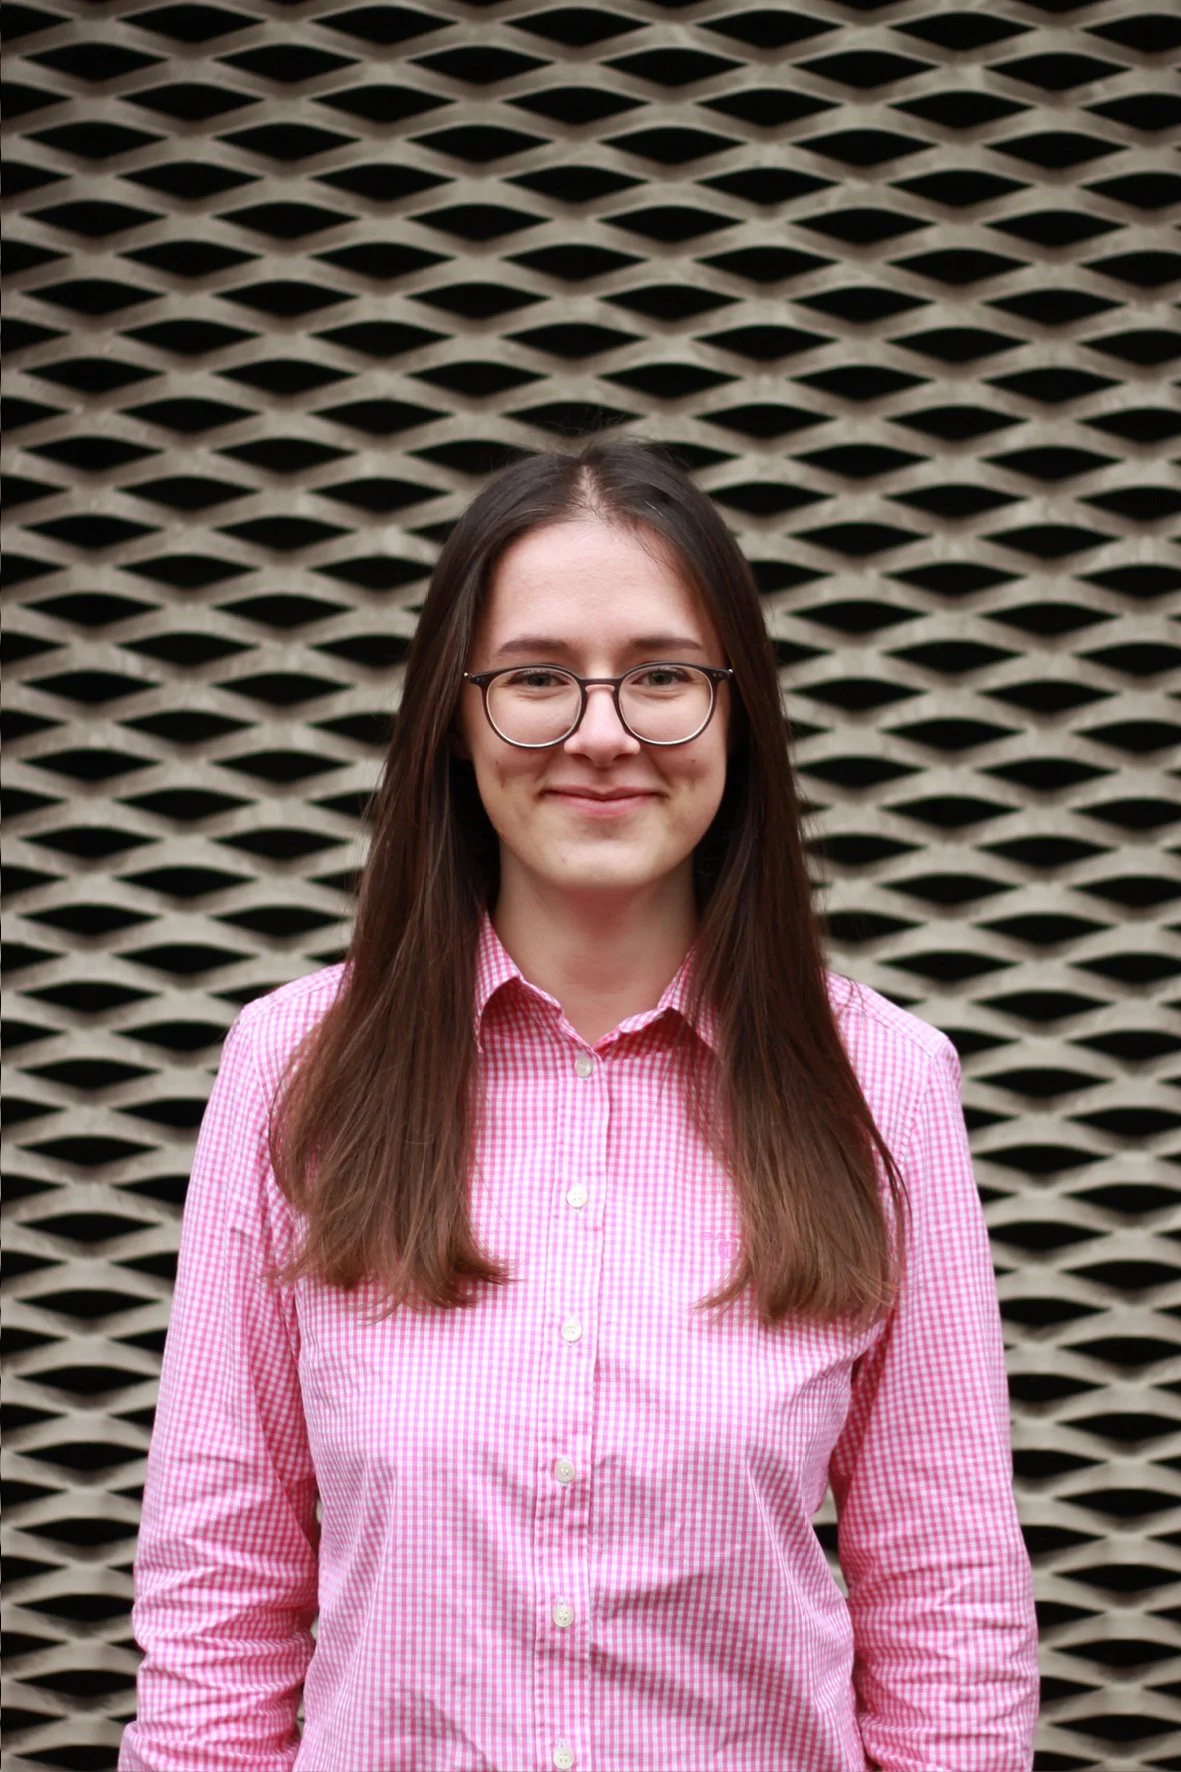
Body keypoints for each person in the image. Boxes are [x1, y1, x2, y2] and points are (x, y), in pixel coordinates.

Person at [120, 438, 1039, 1772]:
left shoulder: (881, 1084)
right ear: (455, 710)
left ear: (737, 712)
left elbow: (948, 1607)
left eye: (661, 675)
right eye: (537, 678)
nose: (601, 733)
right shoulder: (292, 1070)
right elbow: (220, 1593)